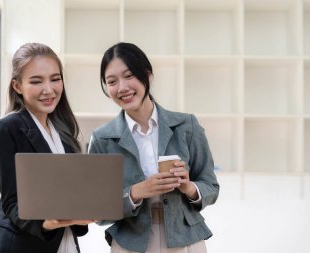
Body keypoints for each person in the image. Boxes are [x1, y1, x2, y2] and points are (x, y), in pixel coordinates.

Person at [88, 42, 220, 253]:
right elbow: (97, 209)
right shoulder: (102, 139)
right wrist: (136, 192)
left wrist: (187, 187)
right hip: (130, 243)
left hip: (185, 239)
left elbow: (211, 187)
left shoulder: (187, 126)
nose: (122, 87)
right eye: (112, 81)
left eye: (129, 76)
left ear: (148, 75)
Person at [0, 43, 93, 253]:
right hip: (24, 245)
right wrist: (47, 222)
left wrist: (87, 209)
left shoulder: (63, 134)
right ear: (17, 86)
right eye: (36, 81)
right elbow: (11, 203)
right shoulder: (6, 129)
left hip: (66, 244)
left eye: (55, 79)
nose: (49, 90)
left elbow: (71, 196)